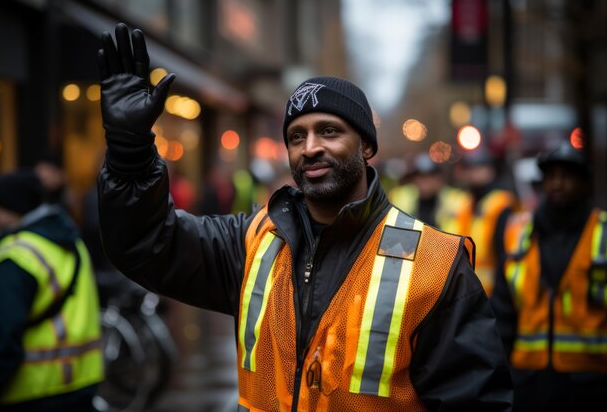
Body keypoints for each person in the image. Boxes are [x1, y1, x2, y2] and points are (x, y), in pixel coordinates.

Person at [95, 23, 512, 411]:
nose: (310, 147)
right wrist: (129, 154)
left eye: (329, 131)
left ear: (366, 146)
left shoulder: (436, 266)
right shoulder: (253, 241)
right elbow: (147, 242)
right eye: (297, 136)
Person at [490, 141, 607, 411]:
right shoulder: (519, 233)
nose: (558, 183)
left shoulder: (603, 233)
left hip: (592, 384)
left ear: (584, 182)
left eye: (567, 176)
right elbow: (502, 311)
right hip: (528, 383)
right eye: (552, 176)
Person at [0, 169, 104, 411]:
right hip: (83, 380)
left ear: (12, 207)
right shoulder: (71, 240)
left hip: (32, 390)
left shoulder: (14, 257)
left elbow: (0, 341)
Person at [450, 146, 518, 296]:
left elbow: (505, 254)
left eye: (479, 168)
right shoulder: (465, 205)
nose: (474, 174)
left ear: (491, 170)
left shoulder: (500, 204)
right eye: (470, 169)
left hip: (493, 293)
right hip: (466, 292)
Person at [387, 152, 470, 229]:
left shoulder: (457, 199)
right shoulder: (400, 195)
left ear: (439, 179)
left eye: (429, 176)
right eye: (420, 177)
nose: (425, 182)